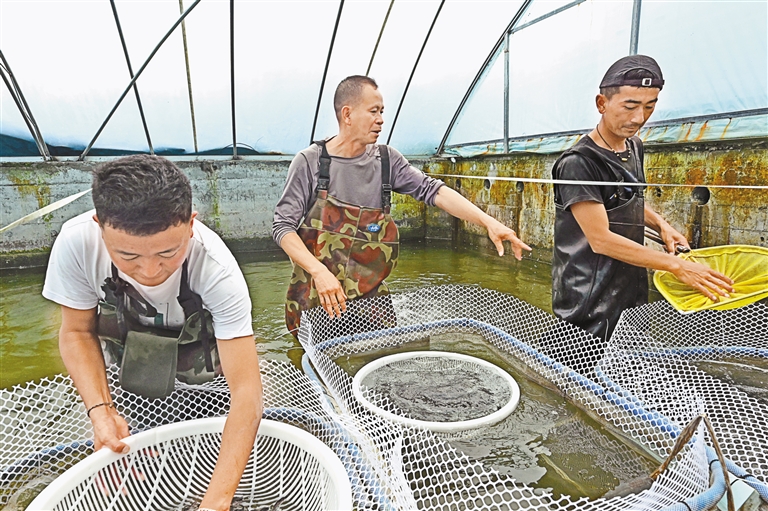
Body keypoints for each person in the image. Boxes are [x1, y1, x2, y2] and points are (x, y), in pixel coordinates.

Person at [43, 155, 262, 511]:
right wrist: (101, 411)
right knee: (133, 473)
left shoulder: (218, 269)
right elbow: (77, 332)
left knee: (215, 467)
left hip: (209, 379)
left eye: (168, 252)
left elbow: (247, 391)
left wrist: (217, 502)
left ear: (191, 225)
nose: (149, 270)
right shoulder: (76, 242)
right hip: (130, 371)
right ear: (99, 226)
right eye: (128, 256)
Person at [273, 75, 531, 337]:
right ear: (347, 114)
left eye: (382, 112)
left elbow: (434, 191)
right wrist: (318, 271)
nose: (381, 120)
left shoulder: (387, 161)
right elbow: (283, 227)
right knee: (314, 359)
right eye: (373, 111)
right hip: (318, 297)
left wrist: (488, 222)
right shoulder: (310, 162)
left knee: (383, 356)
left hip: (371, 303)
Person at [551, 55, 733, 346]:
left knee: (626, 354)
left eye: (650, 106)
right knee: (578, 363)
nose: (639, 118)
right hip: (587, 295)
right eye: (630, 106)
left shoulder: (634, 145)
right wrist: (677, 266)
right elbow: (601, 240)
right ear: (602, 103)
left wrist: (662, 225)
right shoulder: (578, 163)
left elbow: (627, 198)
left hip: (629, 284)